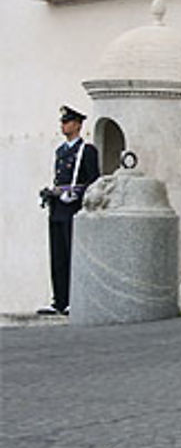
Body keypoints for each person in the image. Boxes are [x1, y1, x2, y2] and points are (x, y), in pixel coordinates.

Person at [37, 105, 100, 315]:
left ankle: (75, 298)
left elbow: (93, 183)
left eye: (67, 122)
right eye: (62, 122)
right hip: (58, 207)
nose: (63, 126)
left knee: (72, 253)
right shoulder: (61, 151)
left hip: (73, 207)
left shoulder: (86, 150)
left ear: (78, 125)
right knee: (58, 256)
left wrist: (77, 196)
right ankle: (60, 300)